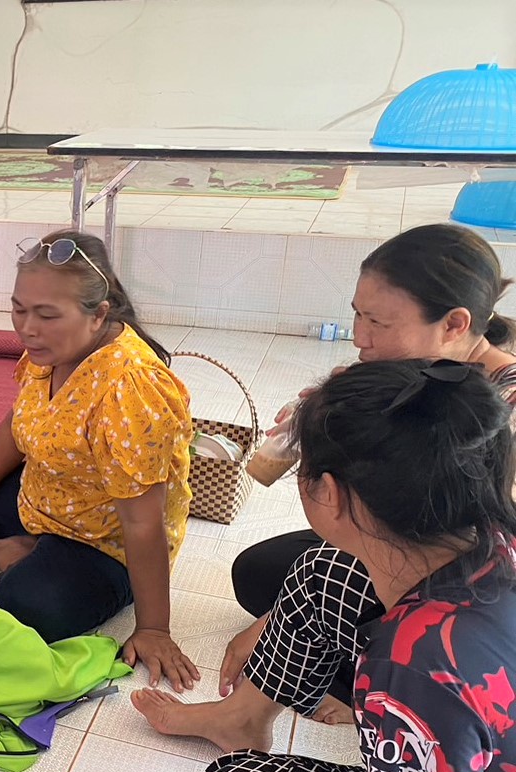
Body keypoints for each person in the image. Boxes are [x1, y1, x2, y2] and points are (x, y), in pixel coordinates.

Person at [187, 360, 516, 772]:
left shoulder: (412, 664)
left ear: (331, 494)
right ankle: (240, 716)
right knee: (324, 574)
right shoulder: (496, 538)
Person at [164, 223, 516, 734]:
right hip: (402, 530)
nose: (360, 336)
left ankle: (376, 685)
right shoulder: (417, 367)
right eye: (357, 313)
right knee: (262, 572)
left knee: (310, 582)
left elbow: (461, 538)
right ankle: (319, 671)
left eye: (377, 321)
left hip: (469, 575)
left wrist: (274, 625)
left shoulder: (504, 405)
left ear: (455, 324)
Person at [0, 229, 197, 692]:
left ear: (99, 315)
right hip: (46, 498)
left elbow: (144, 524)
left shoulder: (129, 386)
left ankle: (15, 556)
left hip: (106, 542)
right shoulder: (48, 351)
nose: (27, 328)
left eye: (47, 315)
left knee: (22, 604)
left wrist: (154, 629)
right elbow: (18, 423)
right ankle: (15, 549)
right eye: (19, 308)